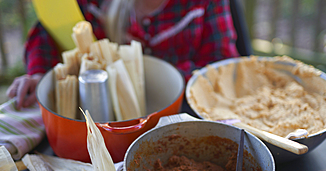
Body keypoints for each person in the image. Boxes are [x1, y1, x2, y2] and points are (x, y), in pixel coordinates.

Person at [7, 0, 239, 109]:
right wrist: (39, 74)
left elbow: (221, 65)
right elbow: (48, 33)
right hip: (99, 118)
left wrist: (165, 84)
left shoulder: (207, 3)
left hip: (181, 112)